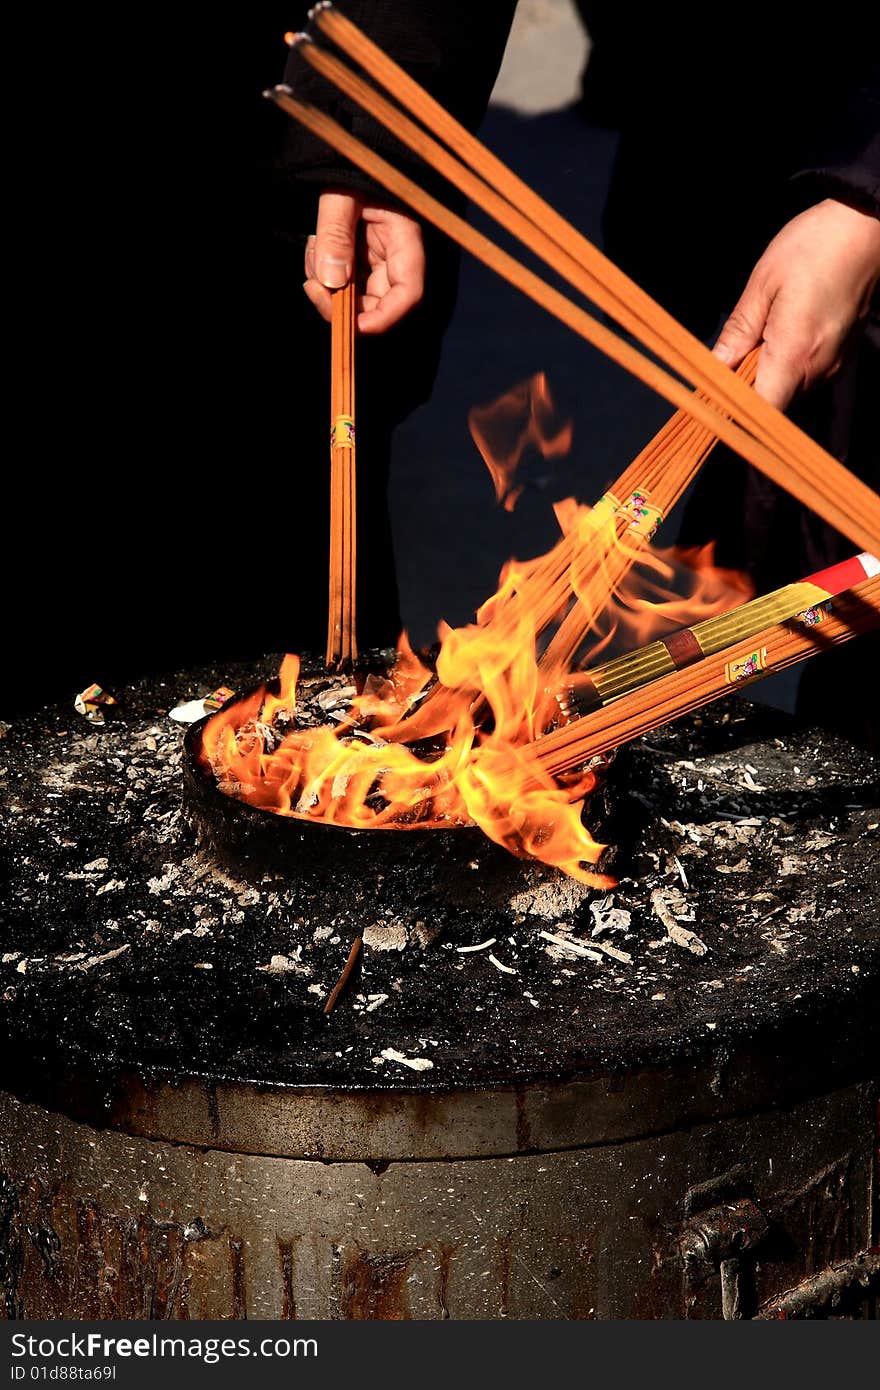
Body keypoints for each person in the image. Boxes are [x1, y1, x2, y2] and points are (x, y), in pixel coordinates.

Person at [280, 1, 879, 739]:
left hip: (840, 158)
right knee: (822, 577)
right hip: (753, 149)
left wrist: (867, 204)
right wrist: (368, 137)